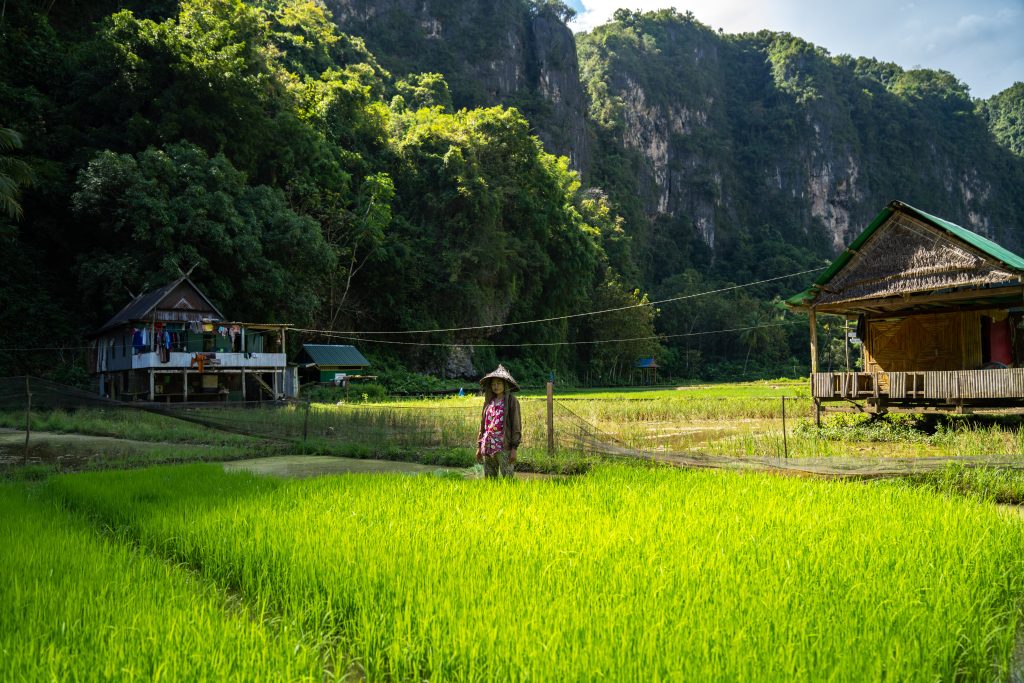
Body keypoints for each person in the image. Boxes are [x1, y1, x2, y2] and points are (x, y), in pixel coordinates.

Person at [476, 364, 522, 479]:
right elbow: (483, 426)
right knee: (490, 481)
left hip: (503, 447)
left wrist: (514, 449)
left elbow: (516, 426)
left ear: (505, 384)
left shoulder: (511, 401)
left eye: (498, 383)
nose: (495, 386)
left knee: (508, 480)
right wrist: (479, 446)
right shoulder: (489, 402)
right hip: (488, 446)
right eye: (493, 384)